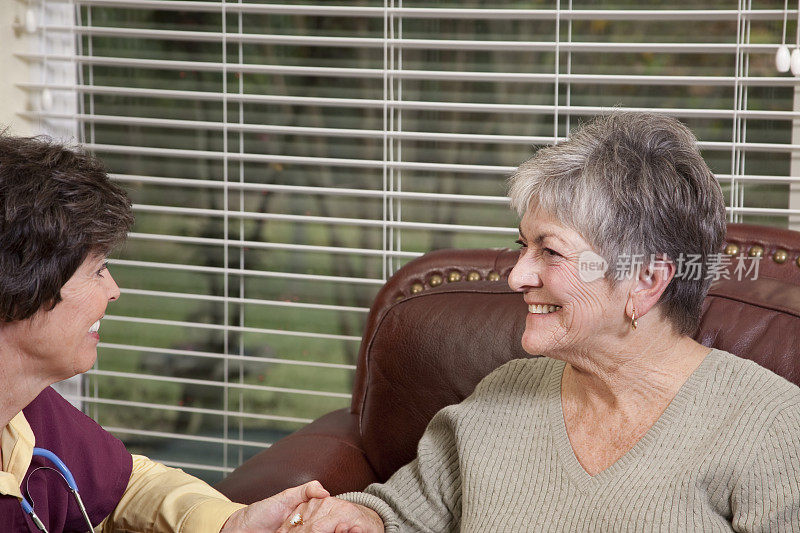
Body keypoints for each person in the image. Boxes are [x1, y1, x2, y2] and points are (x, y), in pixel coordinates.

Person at [275, 113, 800, 532]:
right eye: (521, 246)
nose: (517, 276)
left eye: (549, 251)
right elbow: (404, 511)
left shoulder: (771, 429)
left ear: (646, 280)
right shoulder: (503, 395)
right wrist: (361, 518)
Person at [0, 133, 330, 532]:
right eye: (98, 269)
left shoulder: (29, 412)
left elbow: (125, 487)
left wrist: (231, 524)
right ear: (21, 287)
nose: (114, 290)